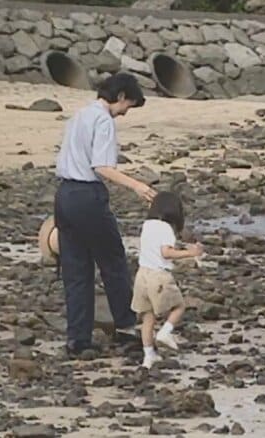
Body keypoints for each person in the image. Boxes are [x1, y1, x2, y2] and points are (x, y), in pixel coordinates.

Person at [54, 72, 158, 357]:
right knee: (113, 262)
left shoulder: (80, 115)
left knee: (76, 271)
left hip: (64, 194)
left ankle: (78, 340)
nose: (125, 112)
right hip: (88, 195)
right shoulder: (103, 120)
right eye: (128, 105)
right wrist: (137, 185)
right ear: (121, 96)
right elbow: (101, 166)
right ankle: (125, 329)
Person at [131, 192, 203, 369]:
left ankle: (148, 357)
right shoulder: (166, 229)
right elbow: (166, 252)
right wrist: (191, 253)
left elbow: (154, 247)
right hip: (159, 276)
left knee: (147, 317)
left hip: (142, 276)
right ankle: (165, 332)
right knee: (179, 306)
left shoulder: (147, 225)